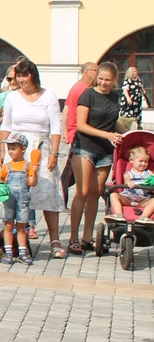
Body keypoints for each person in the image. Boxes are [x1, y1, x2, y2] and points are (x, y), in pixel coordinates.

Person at [0, 58, 66, 258]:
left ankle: (54, 239)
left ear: (33, 76)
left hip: (41, 147)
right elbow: (6, 125)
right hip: (16, 148)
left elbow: (55, 127)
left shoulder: (48, 96)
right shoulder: (12, 97)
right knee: (16, 193)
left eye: (24, 75)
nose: (21, 80)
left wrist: (54, 152)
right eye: (18, 76)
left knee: (47, 192)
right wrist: (3, 152)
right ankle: (16, 238)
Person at [69, 61, 122, 254]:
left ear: (114, 80)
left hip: (105, 151)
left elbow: (113, 123)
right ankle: (73, 237)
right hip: (85, 147)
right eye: (101, 78)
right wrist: (107, 135)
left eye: (108, 80)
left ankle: (87, 237)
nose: (103, 83)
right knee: (82, 192)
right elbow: (81, 125)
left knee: (95, 193)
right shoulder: (88, 95)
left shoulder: (115, 96)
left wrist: (128, 135)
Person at [0, 133, 38, 265]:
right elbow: (2, 182)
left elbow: (32, 183)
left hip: (22, 201)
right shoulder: (6, 166)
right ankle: (8, 252)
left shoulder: (28, 165)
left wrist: (35, 171)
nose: (10, 151)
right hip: (9, 201)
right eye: (9, 148)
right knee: (8, 225)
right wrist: (0, 191)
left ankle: (22, 252)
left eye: (14, 148)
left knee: (21, 227)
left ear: (23, 149)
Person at [110, 145, 154, 219]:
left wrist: (151, 188)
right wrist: (129, 183)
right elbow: (127, 181)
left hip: (142, 199)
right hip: (128, 198)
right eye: (141, 161)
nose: (143, 164)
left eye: (146, 162)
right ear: (131, 160)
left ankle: (144, 217)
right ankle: (118, 215)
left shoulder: (150, 173)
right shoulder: (128, 174)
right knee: (113, 195)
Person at [64, 62, 99, 147]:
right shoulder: (84, 89)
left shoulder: (76, 87)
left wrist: (66, 132)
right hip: (81, 134)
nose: (98, 73)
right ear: (86, 72)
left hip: (75, 133)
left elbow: (66, 112)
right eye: (96, 70)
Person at [120, 66, 149, 131]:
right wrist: (128, 98)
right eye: (133, 72)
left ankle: (138, 127)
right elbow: (125, 90)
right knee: (127, 115)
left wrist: (143, 91)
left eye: (136, 71)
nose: (135, 73)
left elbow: (140, 87)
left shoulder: (138, 79)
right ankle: (125, 128)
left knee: (137, 114)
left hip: (137, 101)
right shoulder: (127, 80)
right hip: (130, 100)